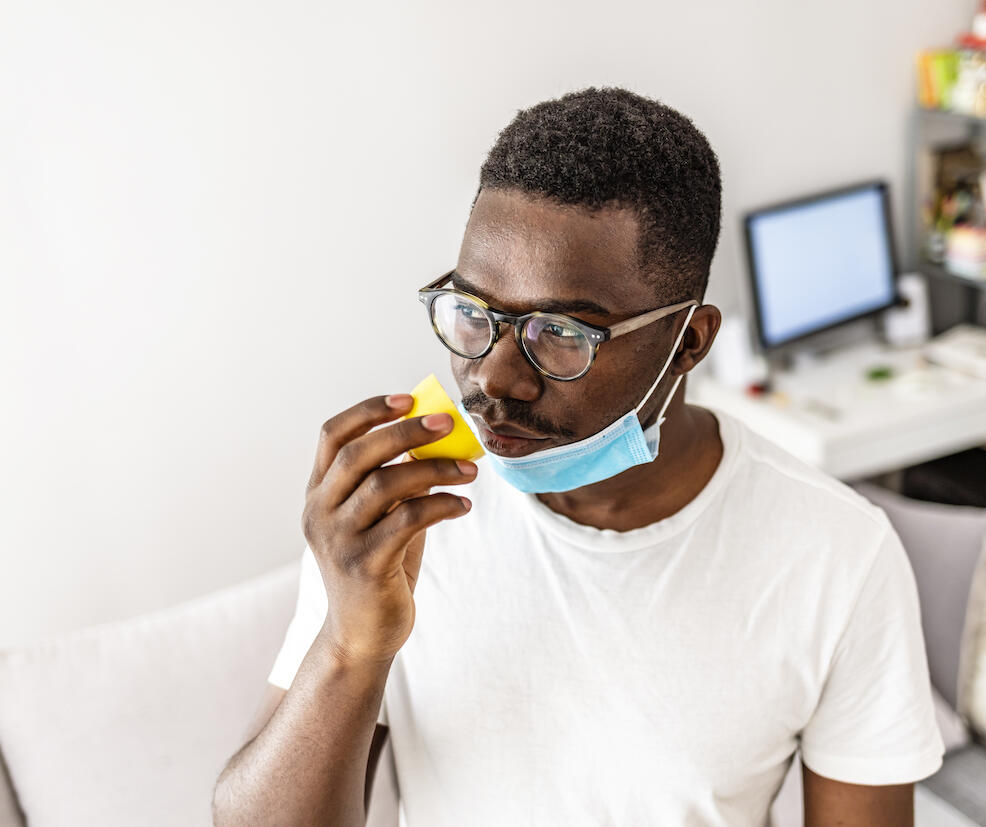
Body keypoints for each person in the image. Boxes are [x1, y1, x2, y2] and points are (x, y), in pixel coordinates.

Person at [213, 87, 943, 826]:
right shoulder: (395, 520)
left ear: (689, 341)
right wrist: (349, 644)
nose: (494, 377)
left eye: (561, 332)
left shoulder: (840, 557)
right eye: (474, 313)